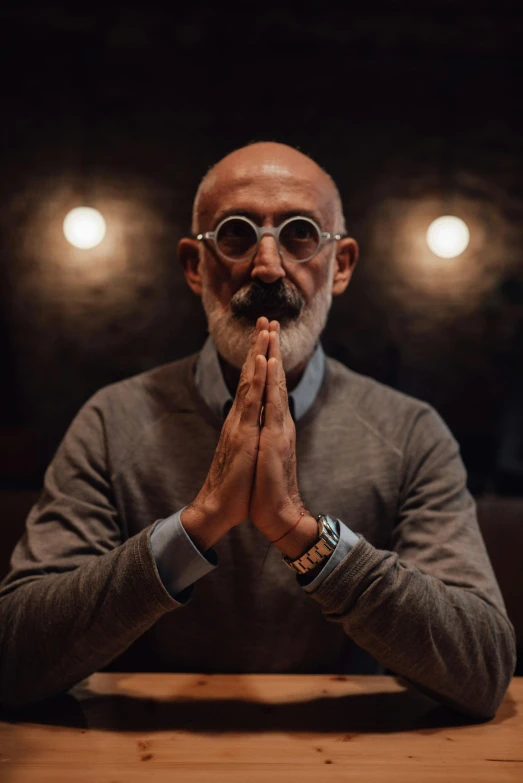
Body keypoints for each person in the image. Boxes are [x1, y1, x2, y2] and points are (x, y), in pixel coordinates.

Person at [0, 142, 516, 718]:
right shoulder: (110, 422)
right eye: (236, 234)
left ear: (340, 265)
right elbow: (14, 659)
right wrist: (200, 523)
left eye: (298, 233)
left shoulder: (411, 432)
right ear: (195, 267)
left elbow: (483, 670)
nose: (267, 267)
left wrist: (301, 533)